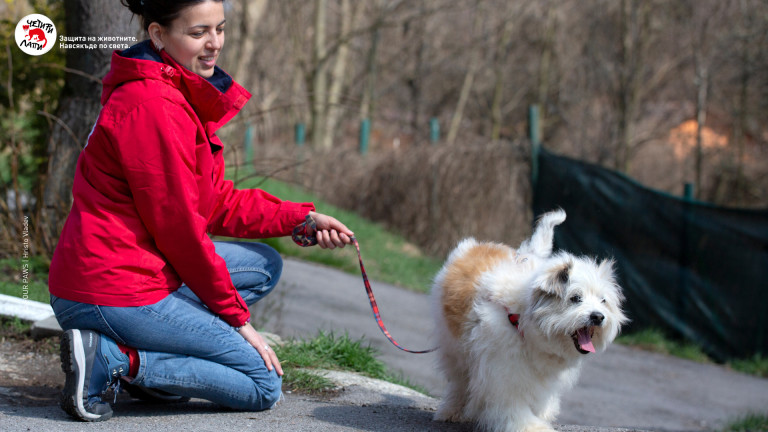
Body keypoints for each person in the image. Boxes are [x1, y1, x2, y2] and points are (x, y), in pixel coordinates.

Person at [47, 0, 354, 422]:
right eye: (198, 34)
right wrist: (239, 321)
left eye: (220, 29)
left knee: (263, 265)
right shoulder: (153, 106)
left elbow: (211, 202)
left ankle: (154, 367)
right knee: (261, 384)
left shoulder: (173, 92)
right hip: (111, 290)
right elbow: (181, 232)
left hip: (128, 271)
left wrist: (299, 218)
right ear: (158, 35)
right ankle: (117, 361)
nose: (214, 44)